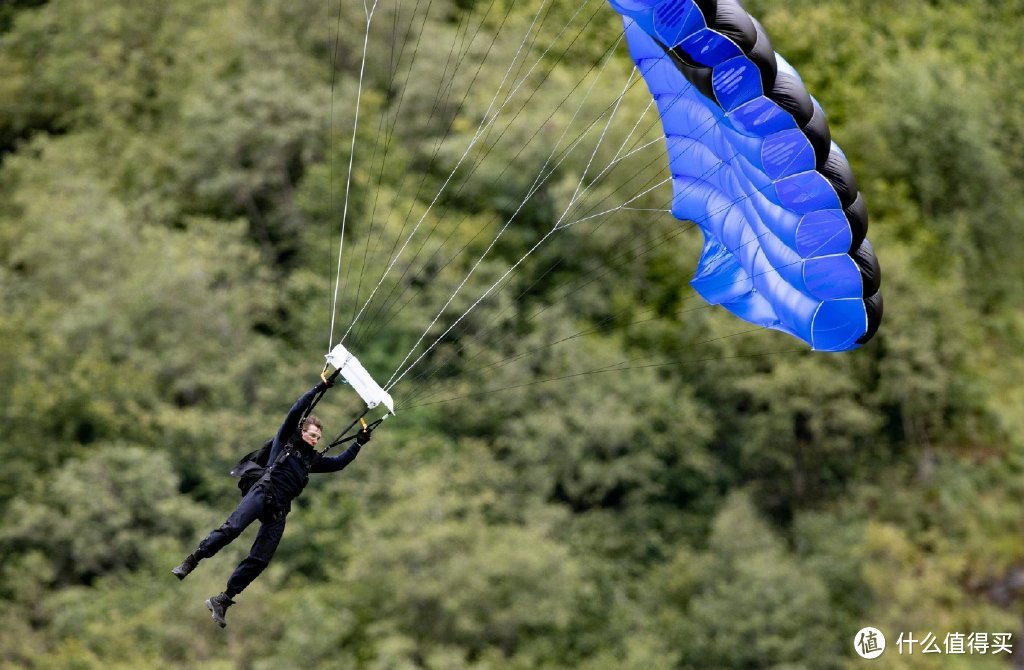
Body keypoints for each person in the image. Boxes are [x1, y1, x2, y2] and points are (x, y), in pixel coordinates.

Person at [171, 377, 370, 627]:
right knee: (232, 529)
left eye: (318, 437)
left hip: (278, 510)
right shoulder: (286, 439)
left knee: (261, 559)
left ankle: (223, 599)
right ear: (301, 432)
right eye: (312, 435)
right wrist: (319, 388)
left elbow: (339, 463)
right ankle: (193, 559)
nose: (315, 439)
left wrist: (359, 443)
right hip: (262, 492)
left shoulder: (312, 461)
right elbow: (296, 410)